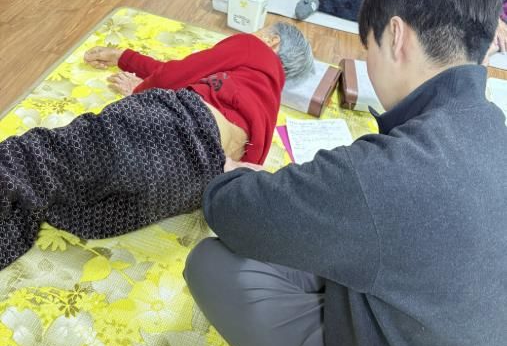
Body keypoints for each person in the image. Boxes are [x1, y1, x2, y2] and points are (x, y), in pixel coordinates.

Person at [184, 0, 507, 346]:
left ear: (396, 36)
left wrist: (234, 179)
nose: (367, 63)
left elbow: (232, 212)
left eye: (367, 48)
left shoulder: (386, 173)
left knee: (210, 262)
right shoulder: (493, 126)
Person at [0, 23, 313, 269]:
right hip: (186, 188)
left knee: (31, 159)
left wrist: (141, 90)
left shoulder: (254, 49)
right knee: (57, 201)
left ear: (271, 41)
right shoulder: (267, 108)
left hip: (172, 126)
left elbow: (180, 72)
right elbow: (242, 168)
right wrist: (124, 57)